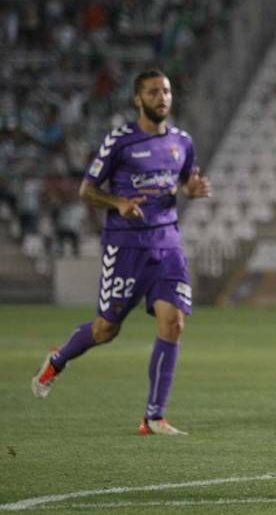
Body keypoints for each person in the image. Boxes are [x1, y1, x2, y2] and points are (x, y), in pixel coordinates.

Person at [31, 69, 212, 436]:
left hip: (167, 243)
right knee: (106, 329)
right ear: (137, 99)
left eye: (166, 91)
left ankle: (154, 417)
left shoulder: (182, 141)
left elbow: (184, 182)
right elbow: (86, 190)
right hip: (126, 245)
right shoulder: (121, 142)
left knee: (174, 323)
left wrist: (191, 191)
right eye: (153, 92)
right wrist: (118, 202)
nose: (161, 97)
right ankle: (59, 359)